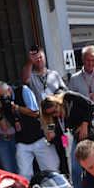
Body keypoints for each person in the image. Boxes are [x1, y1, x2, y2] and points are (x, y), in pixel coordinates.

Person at [40, 91, 94, 188]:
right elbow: (57, 129)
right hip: (78, 134)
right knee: (75, 166)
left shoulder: (69, 97)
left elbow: (90, 105)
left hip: (93, 125)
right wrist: (50, 133)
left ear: (58, 102)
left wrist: (85, 124)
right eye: (51, 114)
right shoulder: (55, 118)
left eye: (55, 111)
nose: (55, 114)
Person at [0, 80, 58, 180]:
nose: (1, 99)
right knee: (24, 174)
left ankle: (58, 186)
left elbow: (35, 112)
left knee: (51, 169)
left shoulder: (23, 90)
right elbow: (4, 127)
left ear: (9, 91)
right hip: (22, 141)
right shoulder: (4, 104)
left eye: (1, 96)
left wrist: (16, 107)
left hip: (41, 137)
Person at [27, 46, 69, 175]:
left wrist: (57, 95)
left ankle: (67, 172)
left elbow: (65, 91)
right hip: (46, 119)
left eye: (40, 57)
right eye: (36, 58)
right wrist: (30, 62)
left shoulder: (54, 74)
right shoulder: (31, 76)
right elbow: (25, 79)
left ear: (45, 57)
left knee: (64, 146)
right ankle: (55, 174)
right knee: (51, 147)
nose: (39, 60)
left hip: (59, 118)